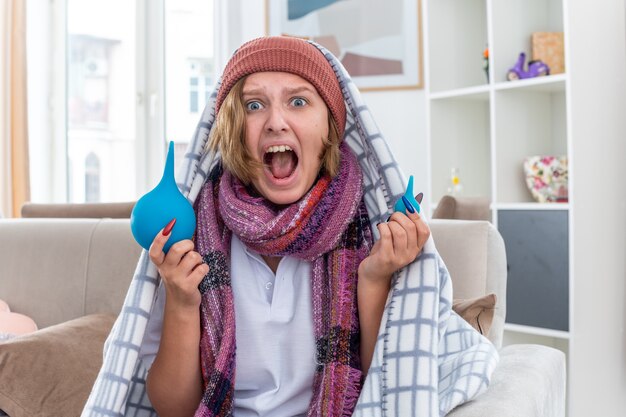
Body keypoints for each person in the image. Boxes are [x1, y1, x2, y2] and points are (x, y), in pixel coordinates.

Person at [144, 36, 429, 417]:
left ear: (330, 127)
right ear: (232, 129)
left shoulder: (367, 231)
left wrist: (374, 280)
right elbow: (175, 411)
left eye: (298, 101)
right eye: (254, 105)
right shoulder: (193, 235)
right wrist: (181, 301)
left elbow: (386, 396)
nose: (276, 122)